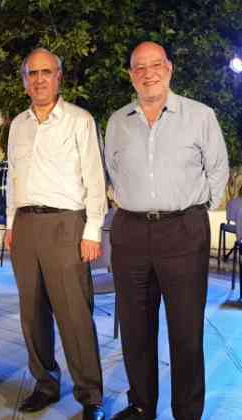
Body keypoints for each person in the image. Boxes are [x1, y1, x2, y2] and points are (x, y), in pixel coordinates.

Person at [105, 41, 229, 420]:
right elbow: (112, 172)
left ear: (169, 68)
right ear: (131, 75)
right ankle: (141, 405)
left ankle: (186, 412)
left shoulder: (200, 116)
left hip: (183, 232)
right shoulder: (117, 122)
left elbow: (218, 170)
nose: (149, 74)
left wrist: (195, 211)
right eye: (139, 68)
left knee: (186, 331)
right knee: (136, 329)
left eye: (155, 65)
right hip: (130, 233)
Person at [4, 48, 107, 420]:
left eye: (46, 72)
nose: (39, 79)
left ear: (58, 77)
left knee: (74, 314)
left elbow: (95, 178)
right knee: (32, 314)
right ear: (24, 81)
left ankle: (90, 394)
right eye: (32, 73)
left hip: (67, 224)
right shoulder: (18, 124)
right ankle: (45, 383)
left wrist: (92, 230)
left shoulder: (80, 120)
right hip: (25, 225)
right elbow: (14, 178)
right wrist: (11, 225)